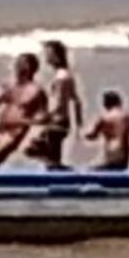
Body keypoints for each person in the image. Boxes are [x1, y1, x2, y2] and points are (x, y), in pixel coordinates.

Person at [29, 39, 83, 169]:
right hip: (63, 122)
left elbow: (58, 103)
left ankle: (64, 172)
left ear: (56, 56)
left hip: (56, 122)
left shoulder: (60, 78)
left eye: (49, 54)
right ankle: (60, 173)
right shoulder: (67, 75)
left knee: (33, 149)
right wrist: (78, 121)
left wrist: (45, 117)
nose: (46, 57)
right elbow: (76, 101)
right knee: (52, 157)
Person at [85, 89, 129, 170]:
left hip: (110, 152)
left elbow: (92, 136)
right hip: (122, 151)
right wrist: (126, 159)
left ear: (106, 104)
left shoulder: (104, 117)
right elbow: (127, 139)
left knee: (93, 169)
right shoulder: (126, 116)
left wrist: (82, 134)